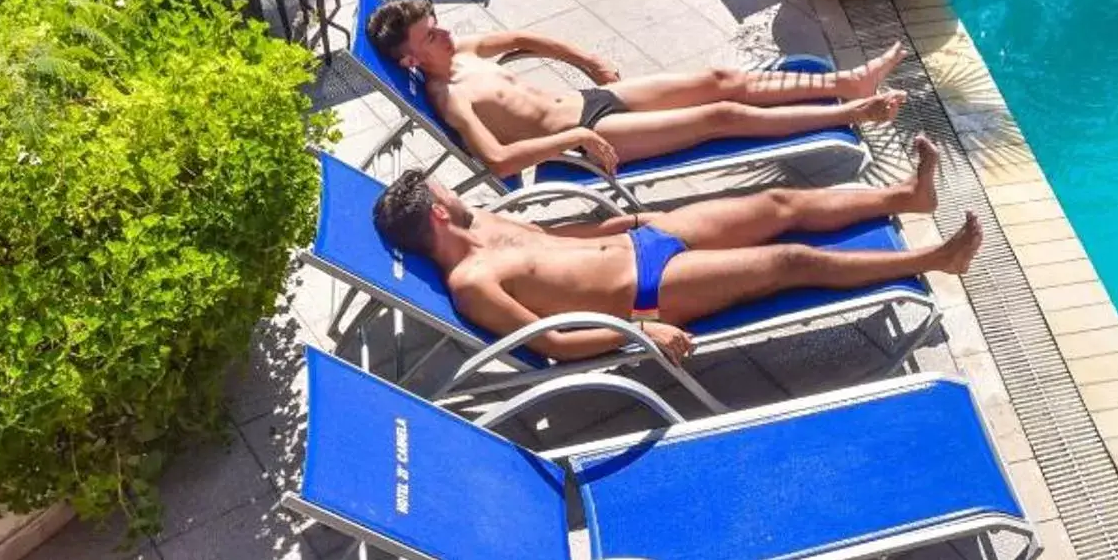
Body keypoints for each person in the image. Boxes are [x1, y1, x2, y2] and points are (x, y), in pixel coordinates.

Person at [372, 146, 983, 357]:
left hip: (642, 240)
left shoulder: (478, 221)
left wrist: (636, 219)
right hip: (648, 294)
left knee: (776, 204)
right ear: (434, 213)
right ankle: (935, 260)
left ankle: (908, 195)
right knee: (790, 261)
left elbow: (557, 245)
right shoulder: (472, 283)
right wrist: (640, 333)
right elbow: (551, 342)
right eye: (440, 188)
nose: (452, 187)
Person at [364, 0, 909, 180]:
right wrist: (566, 143)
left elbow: (526, 37)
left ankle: (844, 81)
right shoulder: (449, 98)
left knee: (716, 80)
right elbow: (501, 162)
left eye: (437, 21)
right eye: (431, 33)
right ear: (412, 58)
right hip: (589, 134)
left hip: (592, 102)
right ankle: (849, 114)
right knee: (718, 114)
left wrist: (589, 60)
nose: (446, 30)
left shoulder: (468, 49)